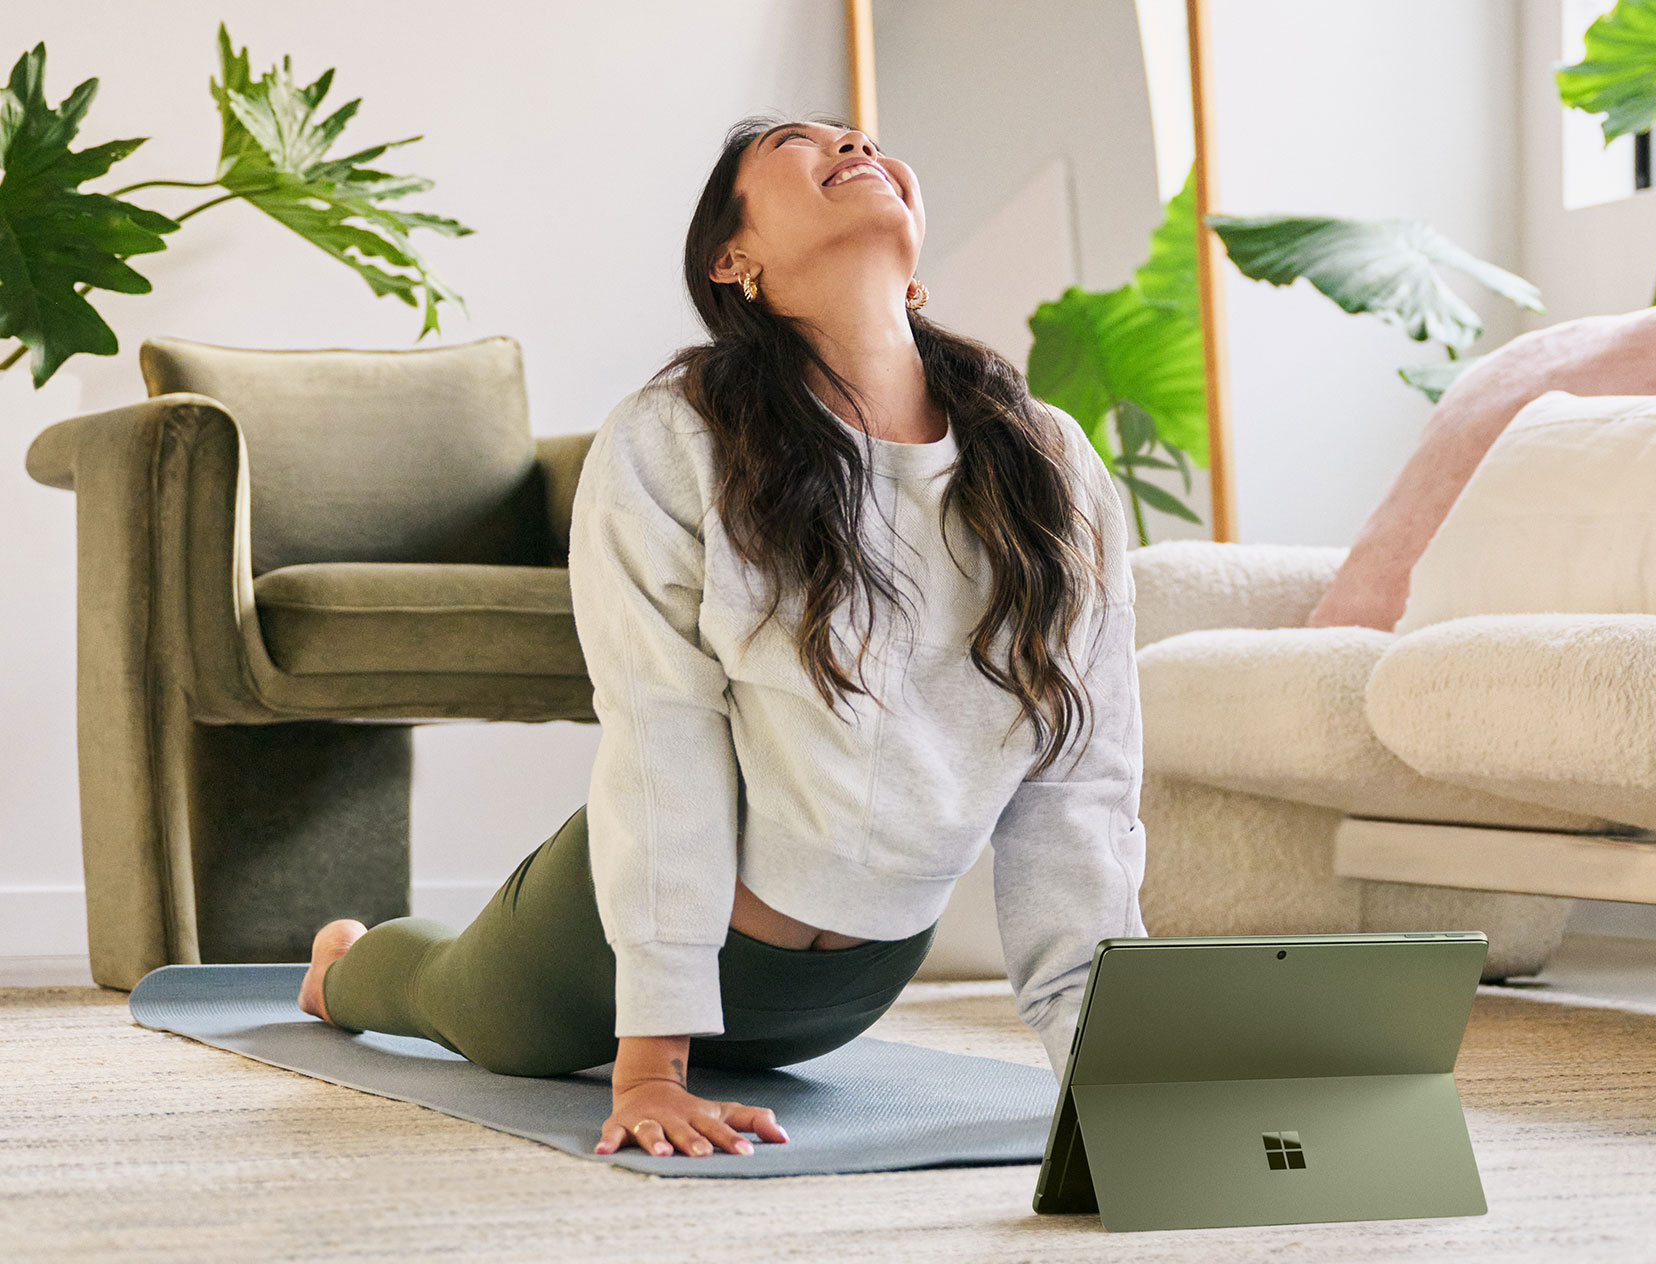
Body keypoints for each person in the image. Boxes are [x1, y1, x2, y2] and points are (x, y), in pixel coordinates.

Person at [295, 112, 1148, 1161]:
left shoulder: (1047, 462)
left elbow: (1080, 785)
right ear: (730, 256)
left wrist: (1112, 1067)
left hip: (849, 987)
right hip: (618, 939)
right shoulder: (673, 436)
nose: (855, 145)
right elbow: (660, 728)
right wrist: (651, 1063)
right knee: (459, 1004)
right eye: (802, 140)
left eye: (867, 138)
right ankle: (343, 960)